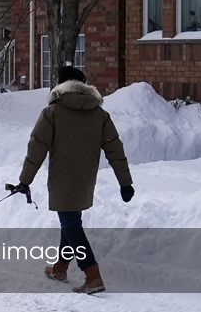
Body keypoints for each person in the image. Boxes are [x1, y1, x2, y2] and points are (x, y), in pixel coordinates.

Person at [12, 65, 134, 294]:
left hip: (62, 179)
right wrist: (125, 182)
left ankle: (92, 274)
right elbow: (115, 150)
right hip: (85, 180)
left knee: (70, 223)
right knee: (70, 221)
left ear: (61, 86)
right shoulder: (99, 114)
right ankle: (60, 267)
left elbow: (36, 149)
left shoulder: (53, 112)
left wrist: (24, 180)